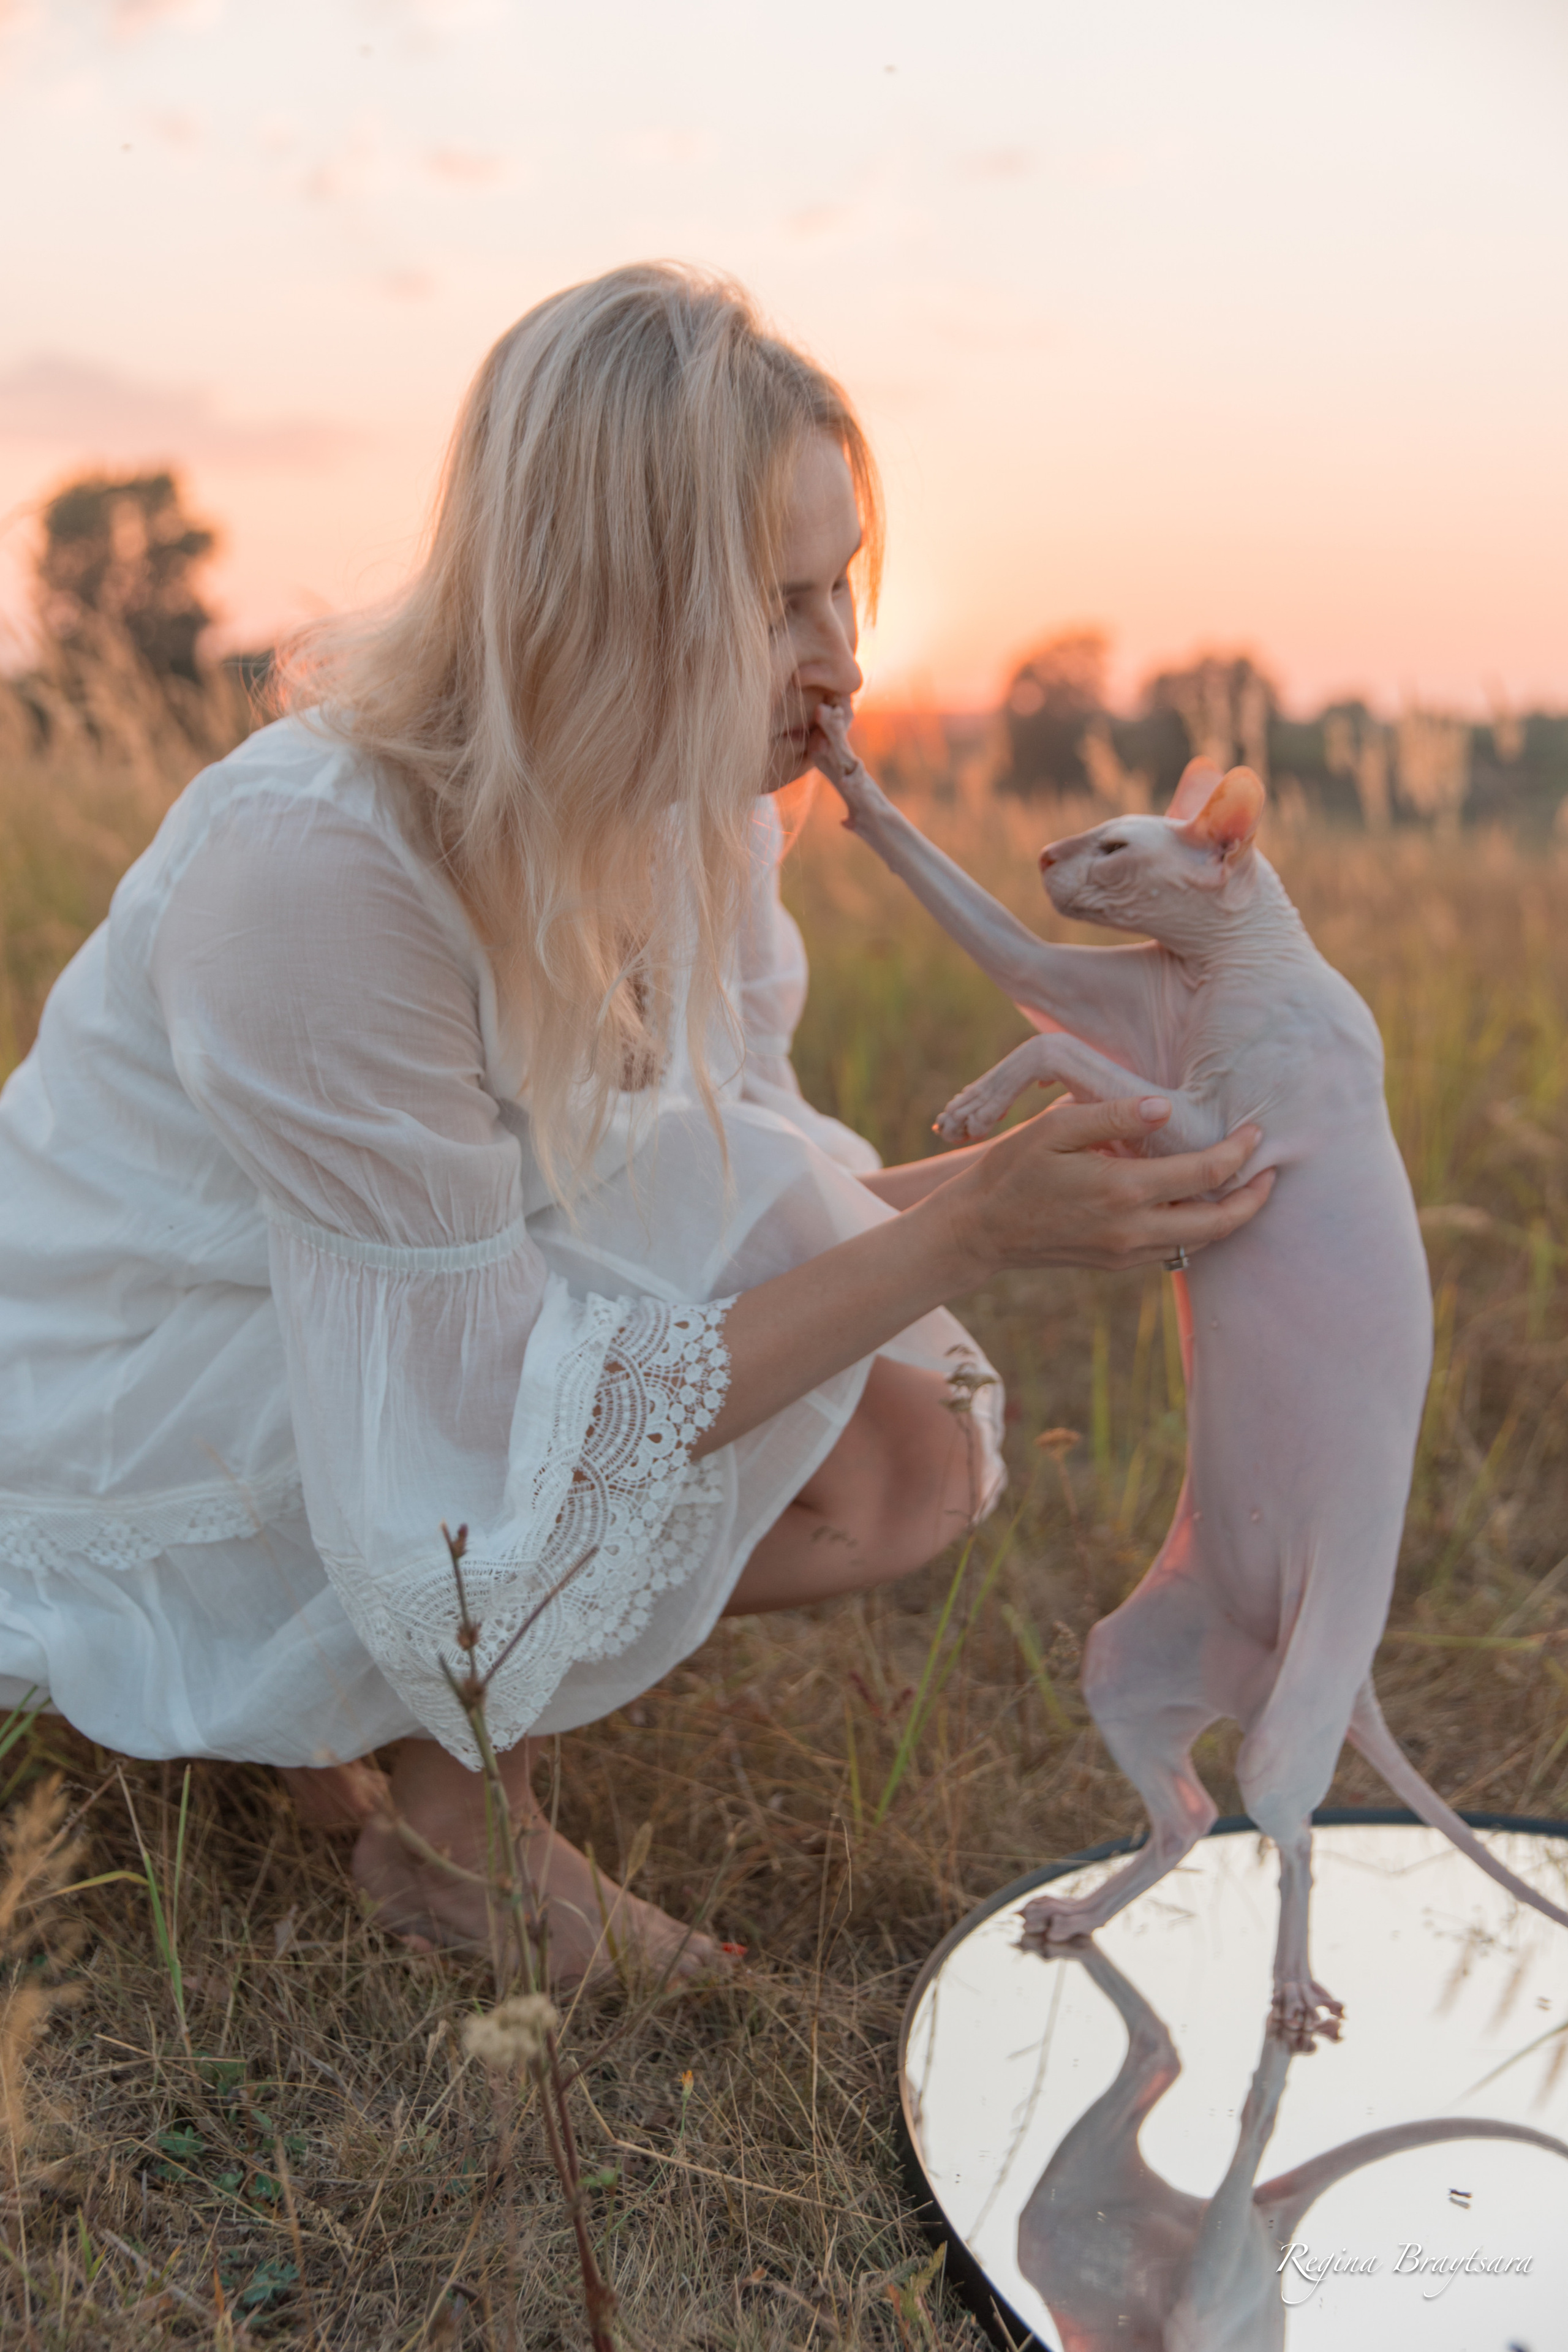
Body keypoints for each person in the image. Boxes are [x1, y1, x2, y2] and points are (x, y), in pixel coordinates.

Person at [0, 266, 1271, 1983]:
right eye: (787, 603)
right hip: (130, 1395)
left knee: (923, 1438)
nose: (845, 660)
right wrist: (966, 1233)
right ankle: (463, 1830)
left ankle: (374, 1728)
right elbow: (454, 1428)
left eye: (846, 590)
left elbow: (764, 1207)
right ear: (618, 598)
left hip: (392, 1345)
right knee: (755, 1336)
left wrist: (1025, 1183)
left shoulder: (696, 815)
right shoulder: (316, 869)